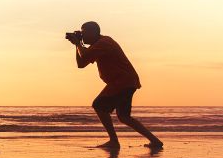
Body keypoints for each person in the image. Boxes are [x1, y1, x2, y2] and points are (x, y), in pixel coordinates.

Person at [68, 21, 163, 150]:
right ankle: (155, 141)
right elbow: (81, 64)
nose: (82, 36)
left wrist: (78, 43)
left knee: (98, 105)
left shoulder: (104, 43)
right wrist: (77, 45)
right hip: (126, 81)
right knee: (124, 116)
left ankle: (114, 141)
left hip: (122, 81)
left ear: (93, 32)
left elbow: (84, 56)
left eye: (83, 33)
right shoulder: (98, 45)